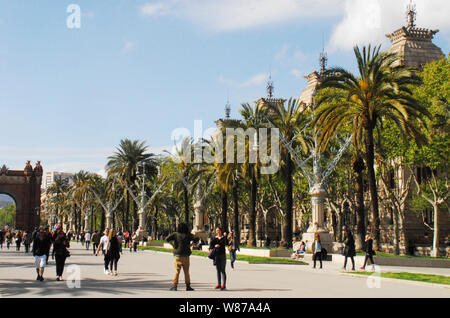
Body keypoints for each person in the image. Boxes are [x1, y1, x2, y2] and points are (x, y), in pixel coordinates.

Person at [166, 223, 198, 291]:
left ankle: (175, 286)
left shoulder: (175, 234)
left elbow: (167, 238)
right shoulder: (188, 234)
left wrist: (173, 245)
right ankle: (188, 286)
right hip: (186, 255)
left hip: (178, 255)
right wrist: (191, 245)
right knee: (186, 272)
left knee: (177, 271)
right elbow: (196, 238)